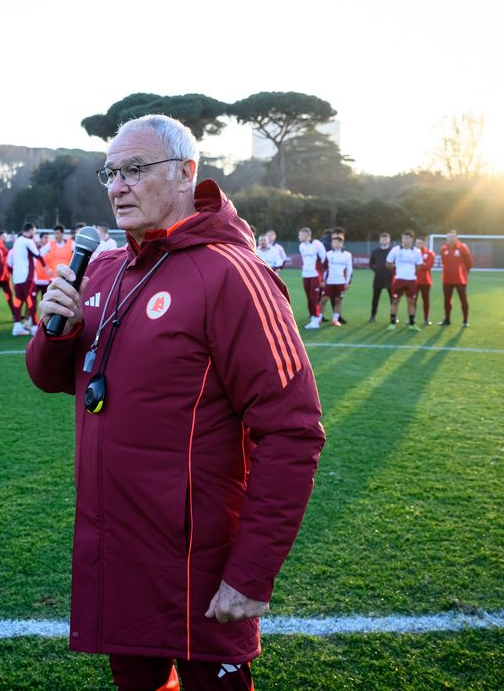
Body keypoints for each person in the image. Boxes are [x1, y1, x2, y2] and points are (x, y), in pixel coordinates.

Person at [28, 114, 324, 691]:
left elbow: (293, 432)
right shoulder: (107, 269)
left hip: (198, 567)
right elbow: (49, 377)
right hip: (118, 551)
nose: (117, 186)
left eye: (135, 170)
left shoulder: (234, 275)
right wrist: (56, 329)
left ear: (187, 173)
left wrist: (252, 573)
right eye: (110, 173)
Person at [9, 222, 46, 336]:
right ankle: (35, 326)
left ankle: (16, 326)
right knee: (31, 302)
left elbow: (10, 262)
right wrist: (45, 267)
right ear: (31, 231)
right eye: (34, 232)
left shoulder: (17, 242)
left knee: (18, 302)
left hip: (17, 278)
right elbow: (37, 254)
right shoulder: (28, 241)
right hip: (27, 277)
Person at [386, 230, 424, 331]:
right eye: (404, 238)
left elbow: (419, 265)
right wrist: (397, 268)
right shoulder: (396, 250)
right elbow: (388, 263)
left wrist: (411, 272)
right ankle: (392, 322)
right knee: (395, 301)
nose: (406, 240)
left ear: (412, 239)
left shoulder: (416, 251)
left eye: (408, 238)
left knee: (411, 302)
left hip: (411, 280)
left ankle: (412, 323)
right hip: (398, 280)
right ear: (402, 239)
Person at [439, 229, 473, 326]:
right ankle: (447, 319)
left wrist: (464, 274)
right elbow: (444, 262)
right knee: (447, 300)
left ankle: (465, 320)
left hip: (460, 280)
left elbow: (469, 263)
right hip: (447, 279)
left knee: (463, 299)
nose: (451, 239)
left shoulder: (463, 247)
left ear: (456, 238)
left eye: (452, 237)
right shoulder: (443, 248)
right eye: (449, 237)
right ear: (446, 238)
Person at [298, 227, 326, 329]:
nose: (299, 237)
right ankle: (313, 318)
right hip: (305, 275)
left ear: (306, 235)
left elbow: (323, 259)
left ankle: (316, 320)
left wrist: (321, 276)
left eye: (300, 234)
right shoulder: (301, 246)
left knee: (314, 297)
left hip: (315, 275)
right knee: (309, 297)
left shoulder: (317, 244)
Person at [323, 234, 353, 326]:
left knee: (338, 301)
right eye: (333, 242)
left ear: (341, 243)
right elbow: (324, 269)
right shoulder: (328, 254)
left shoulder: (347, 255)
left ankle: (335, 320)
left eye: (337, 242)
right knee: (323, 299)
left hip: (341, 281)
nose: (335, 244)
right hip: (329, 281)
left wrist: (348, 282)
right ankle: (318, 318)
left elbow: (350, 269)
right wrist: (323, 280)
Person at [367, 233, 393, 323]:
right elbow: (370, 264)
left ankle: (393, 317)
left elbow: (396, 263)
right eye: (382, 239)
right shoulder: (375, 251)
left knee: (393, 299)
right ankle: (372, 316)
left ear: (389, 240)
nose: (384, 241)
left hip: (390, 279)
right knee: (375, 298)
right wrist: (376, 270)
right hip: (378, 278)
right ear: (379, 240)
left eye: (386, 239)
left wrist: (391, 271)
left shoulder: (392, 251)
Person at [415, 235, 436, 325]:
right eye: (416, 243)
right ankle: (412, 318)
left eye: (419, 243)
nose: (417, 245)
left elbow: (428, 266)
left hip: (425, 281)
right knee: (412, 300)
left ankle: (426, 319)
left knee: (426, 300)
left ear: (425, 243)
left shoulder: (430, 253)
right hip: (413, 280)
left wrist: (418, 265)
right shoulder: (413, 252)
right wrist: (421, 265)